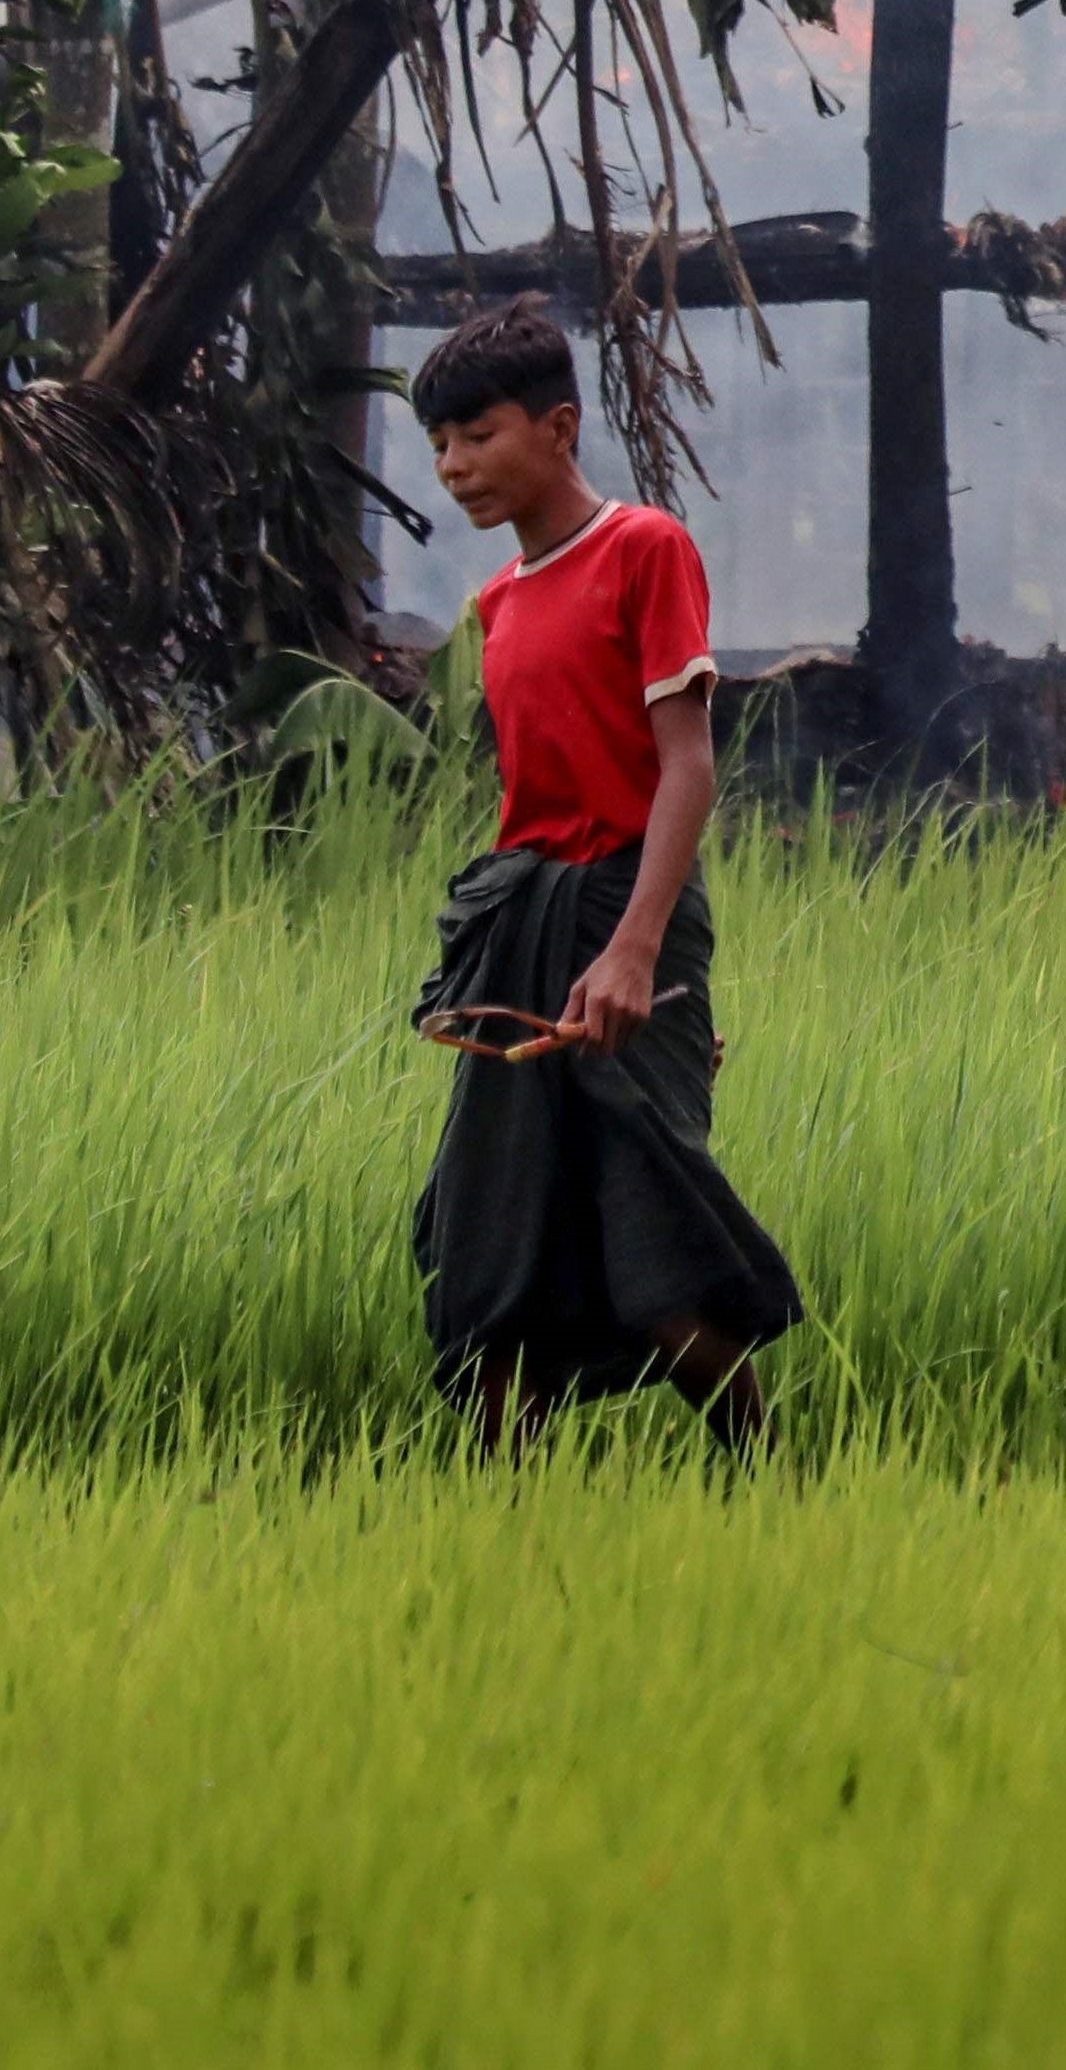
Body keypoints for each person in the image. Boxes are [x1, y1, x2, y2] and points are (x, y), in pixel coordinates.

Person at [407, 301, 800, 1450]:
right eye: (439, 444)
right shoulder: (496, 603)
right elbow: (528, 794)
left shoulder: (643, 549)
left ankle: (769, 1480)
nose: (453, 465)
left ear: (560, 425)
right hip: (523, 920)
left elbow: (686, 768)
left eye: (477, 434)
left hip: (627, 909)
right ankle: (504, 1544)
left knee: (654, 1244)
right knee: (492, 1244)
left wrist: (639, 951)